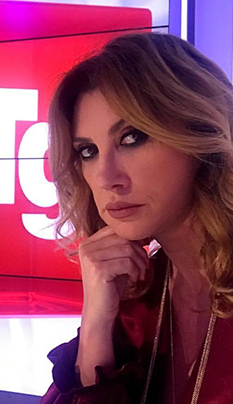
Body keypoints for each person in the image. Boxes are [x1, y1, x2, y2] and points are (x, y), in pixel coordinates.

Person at [41, 32, 233, 404]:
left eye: (132, 138)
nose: (106, 178)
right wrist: (96, 326)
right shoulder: (137, 298)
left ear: (200, 132)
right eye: (88, 151)